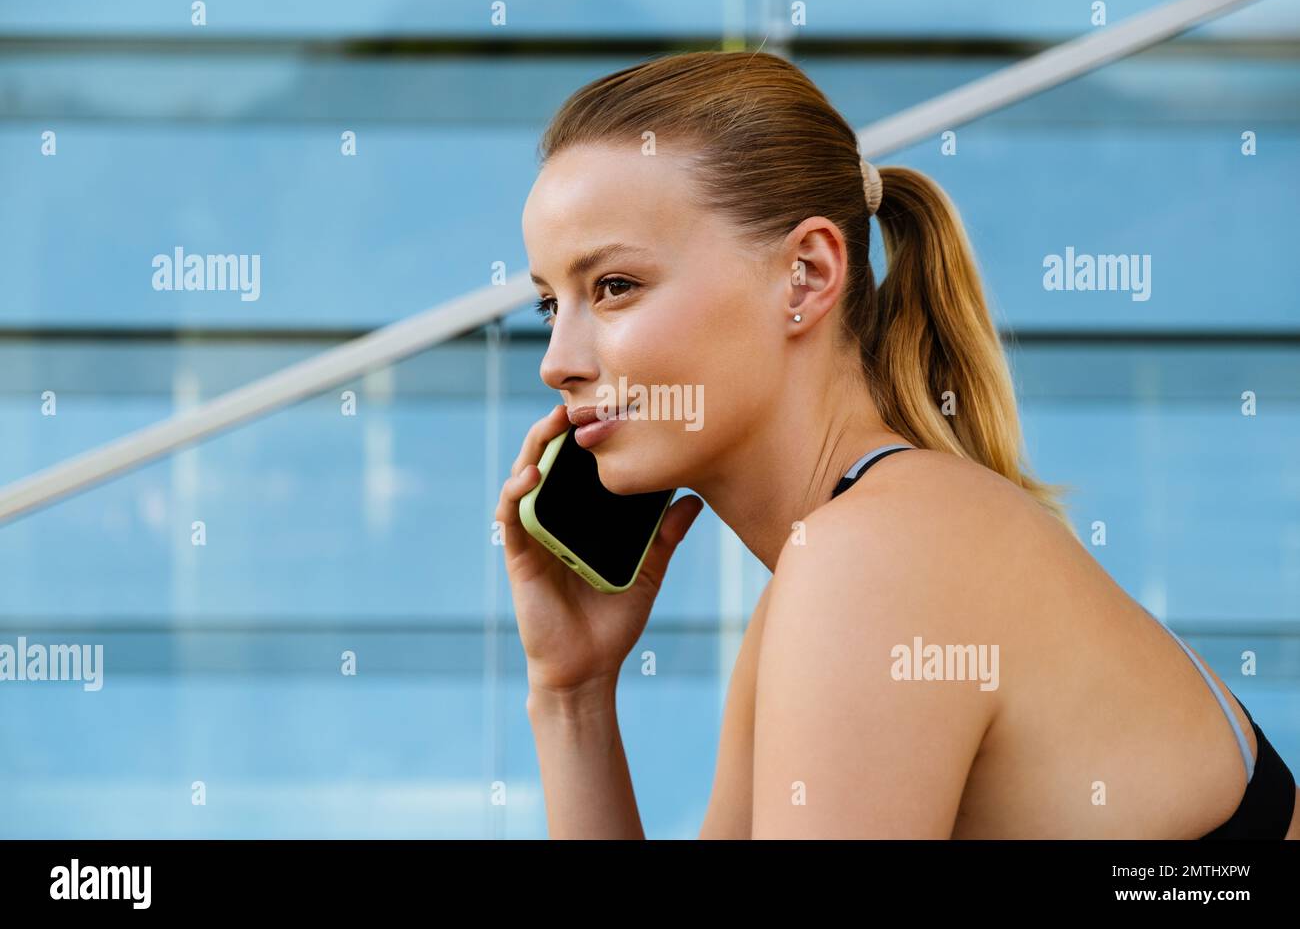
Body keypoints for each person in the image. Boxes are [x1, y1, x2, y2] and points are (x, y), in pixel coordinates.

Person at [493, 50, 1298, 839]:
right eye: (548, 306)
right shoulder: (830, 573)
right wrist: (573, 697)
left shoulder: (874, 561)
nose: (557, 361)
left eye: (614, 288)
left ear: (805, 275)